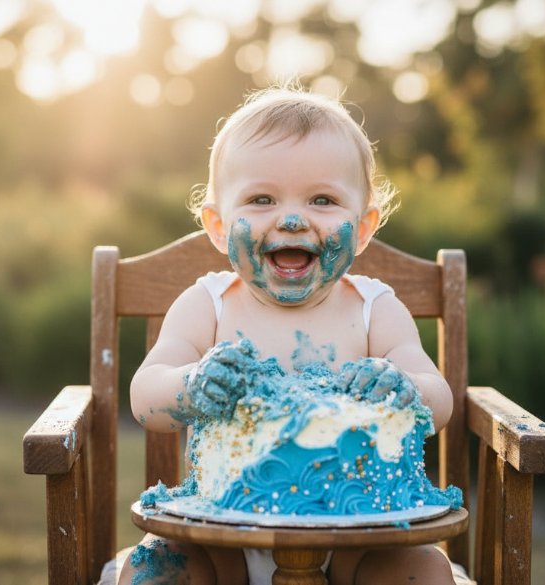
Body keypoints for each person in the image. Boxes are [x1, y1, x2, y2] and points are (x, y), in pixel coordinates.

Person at [121, 84, 457, 585]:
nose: (293, 218)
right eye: (261, 199)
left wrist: (404, 389)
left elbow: (439, 400)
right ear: (217, 226)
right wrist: (192, 385)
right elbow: (146, 397)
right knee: (153, 568)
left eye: (322, 199)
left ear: (363, 228)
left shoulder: (374, 310)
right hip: (220, 536)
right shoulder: (207, 306)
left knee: (424, 570)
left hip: (360, 539)